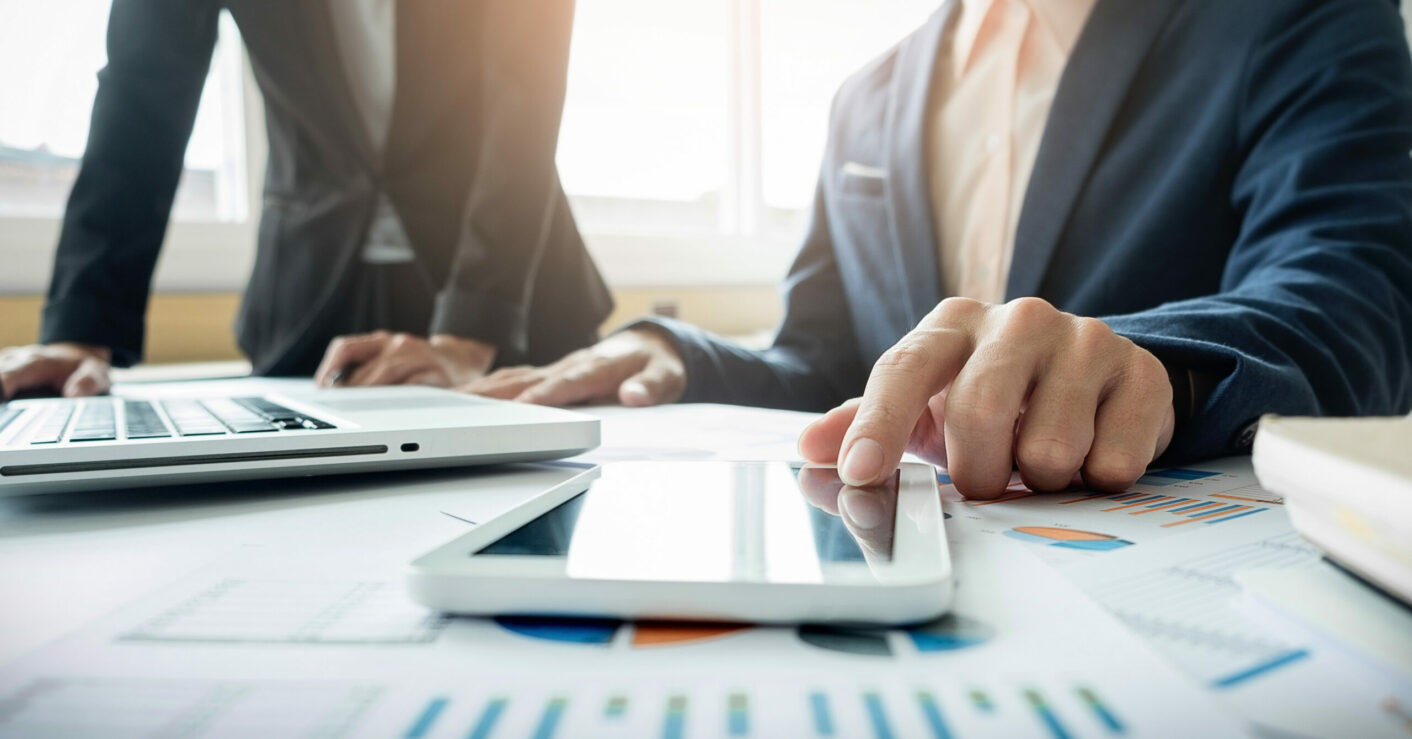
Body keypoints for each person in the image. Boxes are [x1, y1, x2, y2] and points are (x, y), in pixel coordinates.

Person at [470, 0, 1412, 499]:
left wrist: (1153, 367)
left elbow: (1357, 292)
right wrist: (674, 351)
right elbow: (823, 356)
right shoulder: (866, 97)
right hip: (891, 554)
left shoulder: (1295, 14)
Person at [0, 0, 611, 399]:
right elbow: (142, 95)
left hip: (514, 300)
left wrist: (474, 329)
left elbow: (525, 90)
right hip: (308, 311)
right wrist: (80, 330)